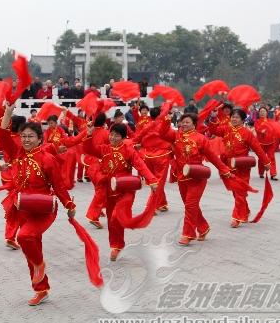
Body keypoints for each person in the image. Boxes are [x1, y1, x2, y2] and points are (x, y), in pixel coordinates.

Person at [0, 103, 76, 306]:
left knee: (24, 237)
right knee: (31, 245)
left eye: (30, 136)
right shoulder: (17, 154)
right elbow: (3, 135)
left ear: (40, 139)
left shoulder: (47, 159)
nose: (26, 140)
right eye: (23, 136)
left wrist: (68, 204)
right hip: (23, 207)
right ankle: (42, 289)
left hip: (43, 209)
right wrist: (7, 112)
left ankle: (40, 266)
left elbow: (58, 186)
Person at [84, 123, 158, 261]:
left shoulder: (128, 150)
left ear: (123, 137)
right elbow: (88, 149)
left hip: (126, 191)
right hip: (110, 190)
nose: (113, 137)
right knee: (112, 221)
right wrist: (88, 135)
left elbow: (141, 166)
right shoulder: (104, 149)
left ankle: (118, 242)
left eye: (117, 135)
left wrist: (152, 180)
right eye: (111, 134)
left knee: (116, 217)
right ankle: (115, 246)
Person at [158, 113, 233, 245]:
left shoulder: (201, 139)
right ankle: (203, 228)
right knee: (190, 206)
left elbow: (212, 157)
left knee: (190, 205)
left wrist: (224, 169)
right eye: (183, 122)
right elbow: (162, 133)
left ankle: (187, 234)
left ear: (194, 124)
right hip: (182, 176)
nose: (184, 124)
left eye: (187, 122)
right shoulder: (176, 135)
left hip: (197, 177)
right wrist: (166, 119)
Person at [208, 109, 270, 227]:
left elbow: (257, 149)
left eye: (237, 117)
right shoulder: (226, 129)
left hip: (242, 166)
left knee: (240, 191)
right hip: (228, 166)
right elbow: (213, 130)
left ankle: (237, 217)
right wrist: (213, 118)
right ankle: (245, 211)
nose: (234, 119)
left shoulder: (247, 133)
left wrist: (266, 162)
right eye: (232, 117)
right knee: (236, 193)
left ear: (242, 119)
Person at [132, 107, 173, 212]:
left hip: (148, 156)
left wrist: (136, 145)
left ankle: (161, 203)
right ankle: (151, 206)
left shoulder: (147, 126)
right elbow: (173, 138)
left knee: (154, 181)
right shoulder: (164, 126)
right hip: (162, 156)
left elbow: (137, 138)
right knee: (159, 182)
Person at [254, 106, 278, 180]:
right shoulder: (257, 121)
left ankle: (273, 174)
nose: (262, 113)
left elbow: (274, 129)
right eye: (261, 111)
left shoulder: (271, 121)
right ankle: (261, 173)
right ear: (259, 113)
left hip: (271, 142)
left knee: (271, 158)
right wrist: (261, 131)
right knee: (261, 158)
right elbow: (257, 129)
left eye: (264, 111)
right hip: (261, 143)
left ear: (267, 113)